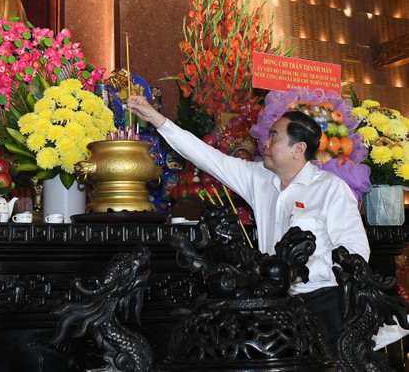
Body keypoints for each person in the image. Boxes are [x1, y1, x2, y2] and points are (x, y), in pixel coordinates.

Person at [127, 94, 369, 348]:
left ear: (299, 149)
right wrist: (156, 119)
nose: (265, 142)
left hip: (321, 304)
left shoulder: (330, 189)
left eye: (275, 136)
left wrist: (303, 273)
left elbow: (356, 252)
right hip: (272, 304)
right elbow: (207, 157)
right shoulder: (259, 178)